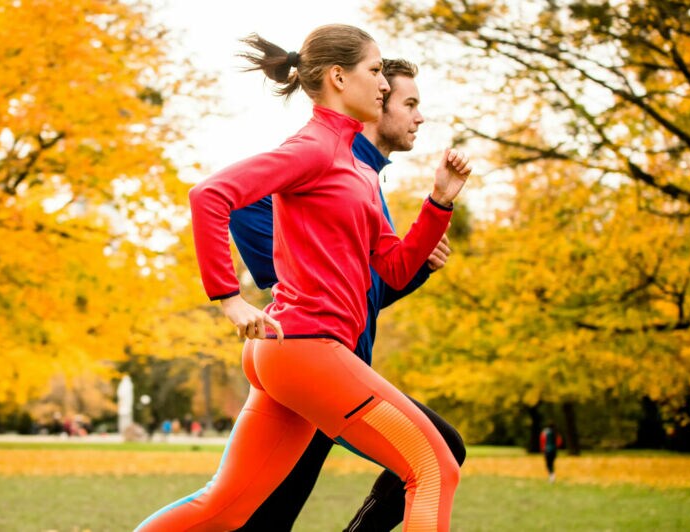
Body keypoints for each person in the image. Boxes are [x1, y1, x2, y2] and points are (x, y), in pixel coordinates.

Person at [136, 24, 470, 532]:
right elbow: (211, 195)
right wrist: (230, 297)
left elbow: (395, 267)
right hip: (308, 349)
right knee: (433, 466)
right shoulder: (314, 148)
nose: (383, 87)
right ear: (339, 77)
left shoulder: (357, 169)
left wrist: (438, 203)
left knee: (224, 508)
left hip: (293, 352)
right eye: (376, 72)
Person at [233, 58, 466, 532]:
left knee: (259, 519)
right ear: (376, 105)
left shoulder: (365, 178)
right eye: (409, 103)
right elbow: (240, 203)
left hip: (339, 368)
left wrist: (415, 270)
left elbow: (360, 293)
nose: (419, 117)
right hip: (307, 365)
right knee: (436, 457)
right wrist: (289, 278)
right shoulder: (326, 161)